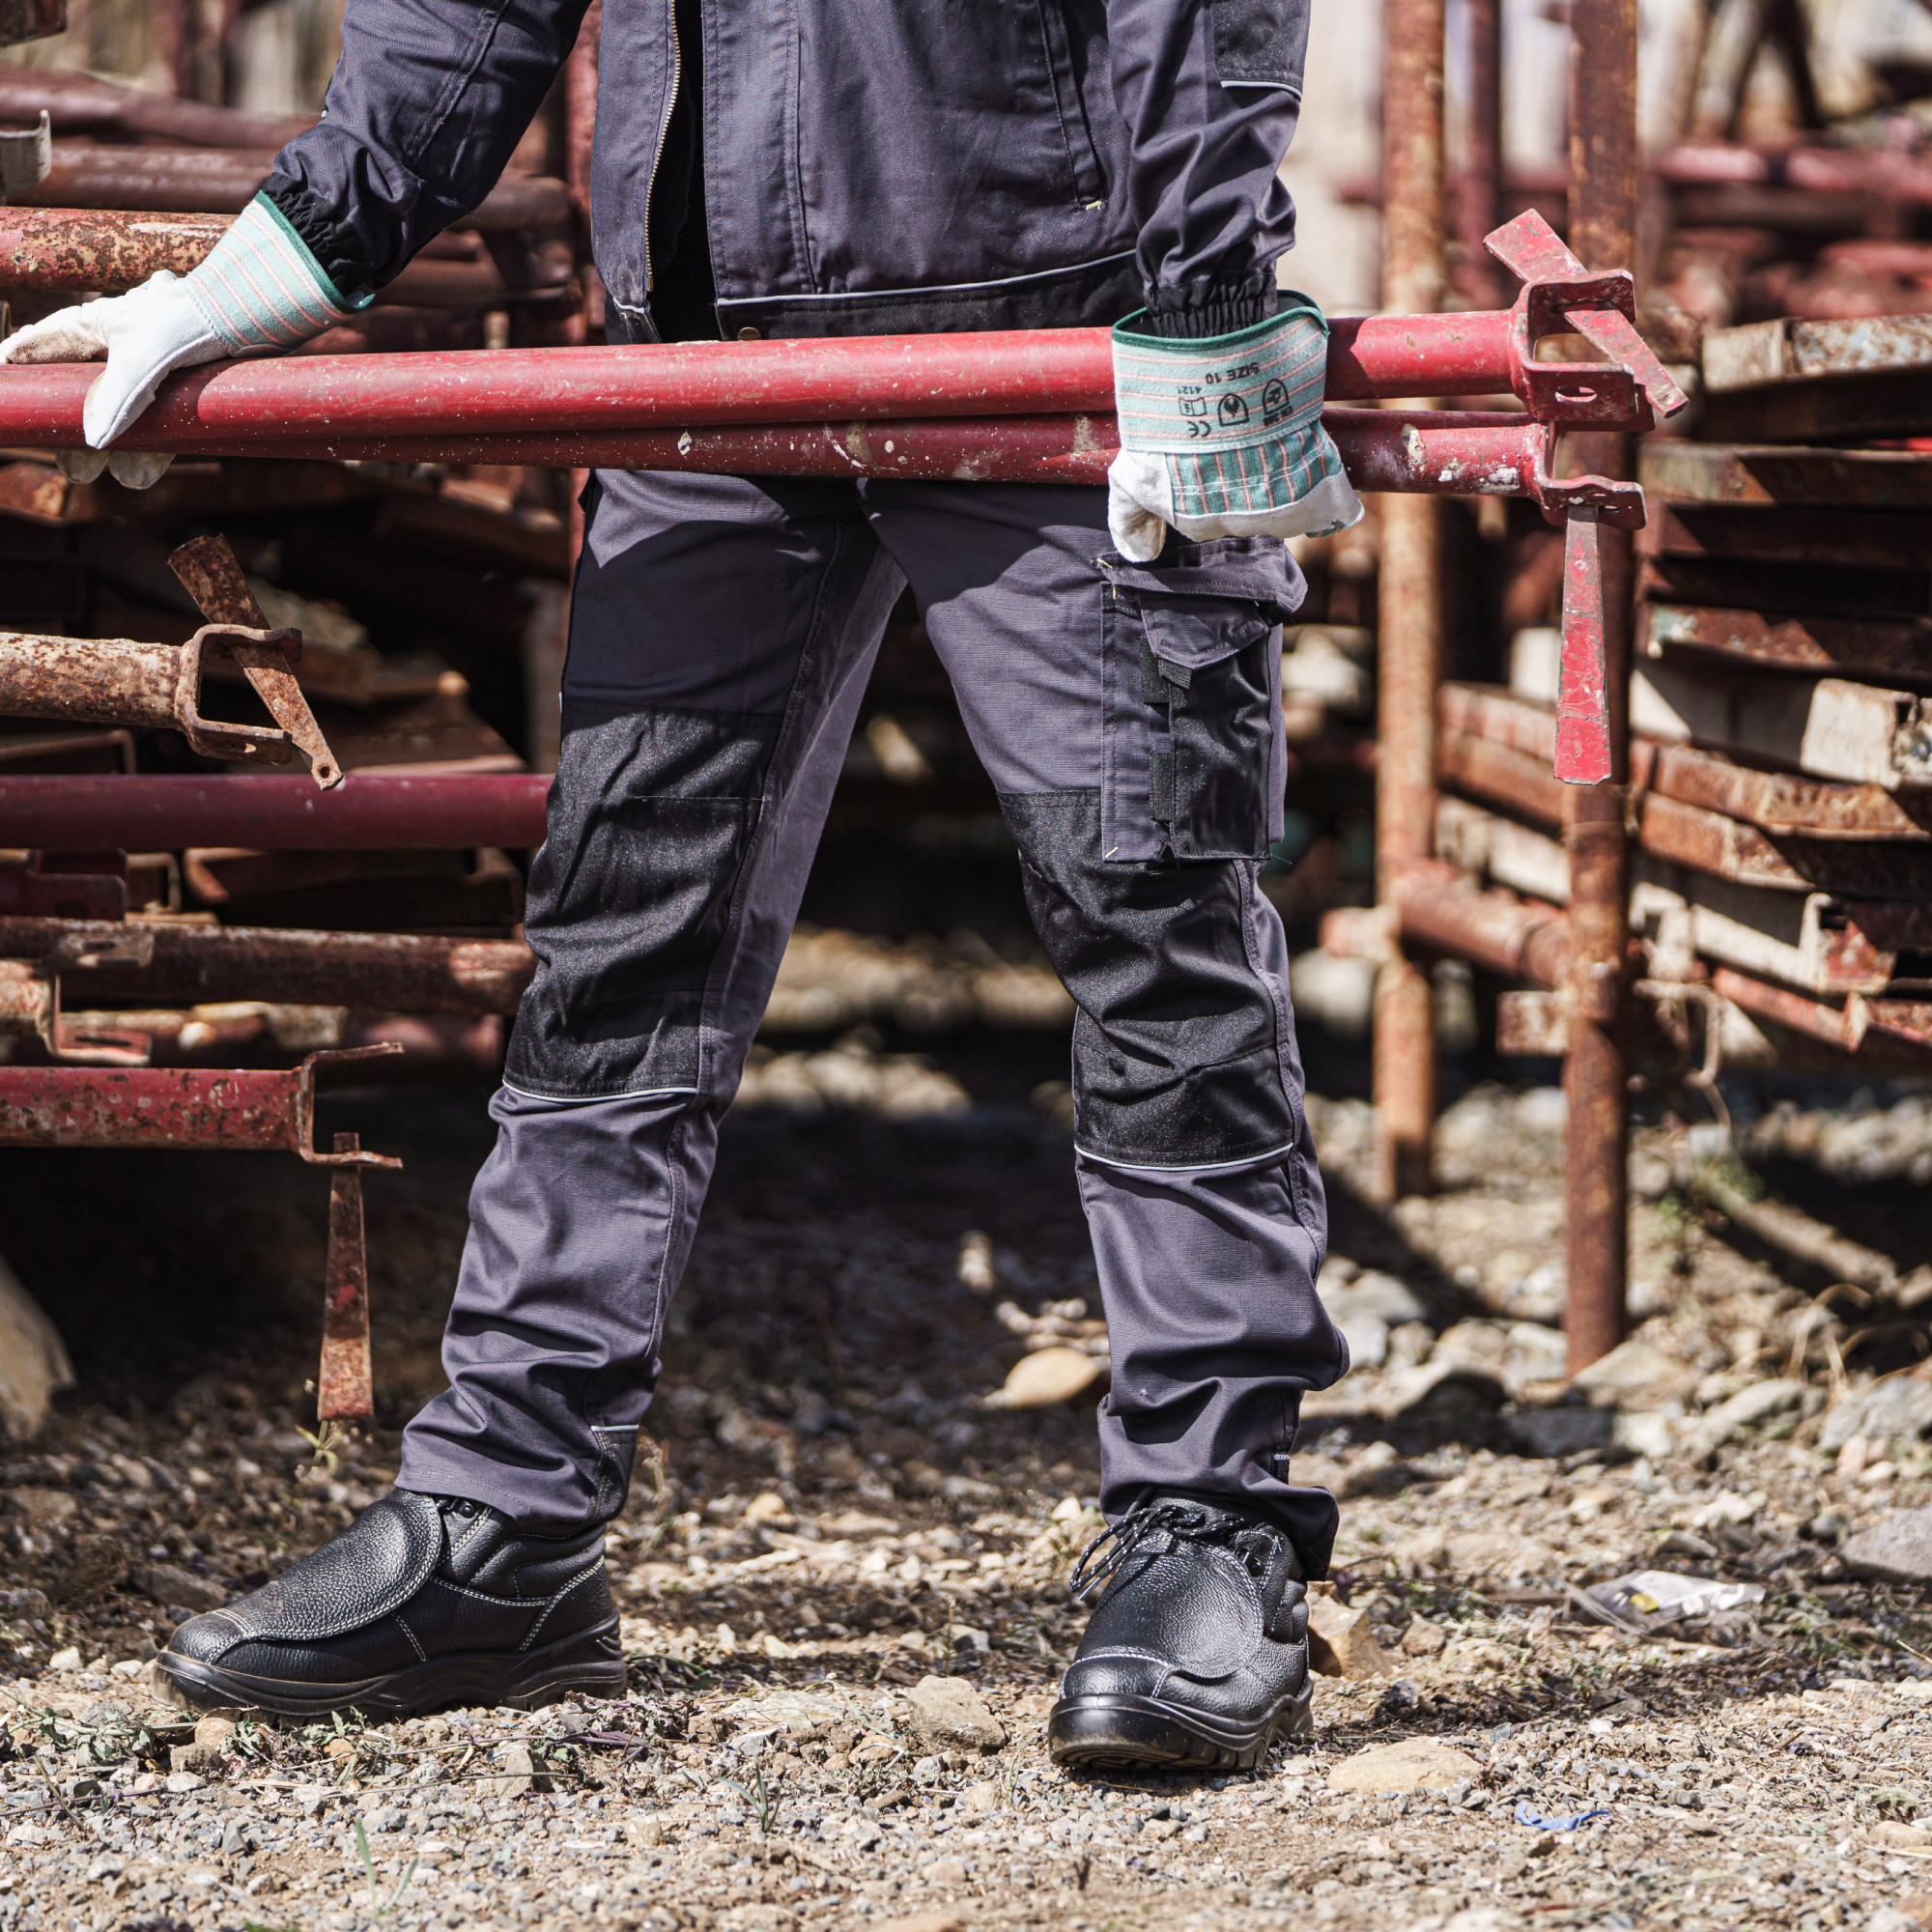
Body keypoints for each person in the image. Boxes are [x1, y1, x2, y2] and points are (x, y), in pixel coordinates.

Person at [5, 0, 1359, 1772]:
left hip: (1057, 337)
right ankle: (507, 1518)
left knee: (1150, 914)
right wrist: (272, 264)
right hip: (707, 368)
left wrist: (1201, 301)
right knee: (621, 939)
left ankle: (1210, 1524)